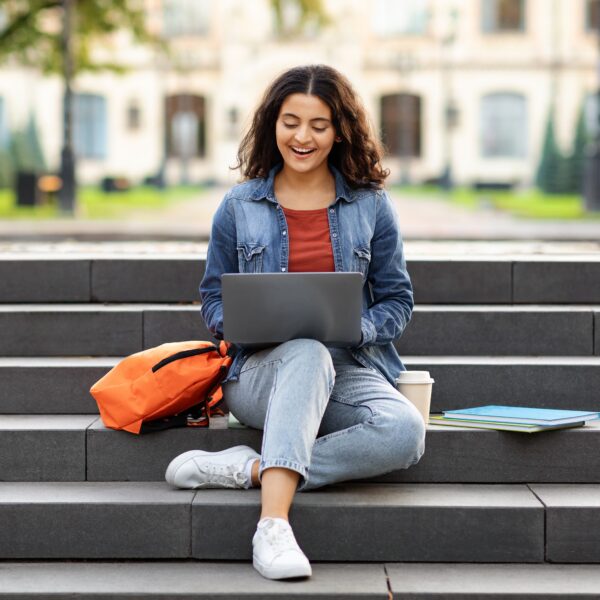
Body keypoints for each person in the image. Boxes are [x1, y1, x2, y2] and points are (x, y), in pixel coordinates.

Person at [165, 64, 426, 580]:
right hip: (260, 375)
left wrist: (357, 328)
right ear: (272, 125)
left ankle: (254, 468)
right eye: (290, 122)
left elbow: (397, 301)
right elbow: (212, 298)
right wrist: (237, 323)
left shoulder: (371, 205)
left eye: (318, 125)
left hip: (348, 370)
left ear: (339, 131)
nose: (302, 137)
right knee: (304, 351)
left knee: (405, 432)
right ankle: (273, 528)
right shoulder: (239, 207)